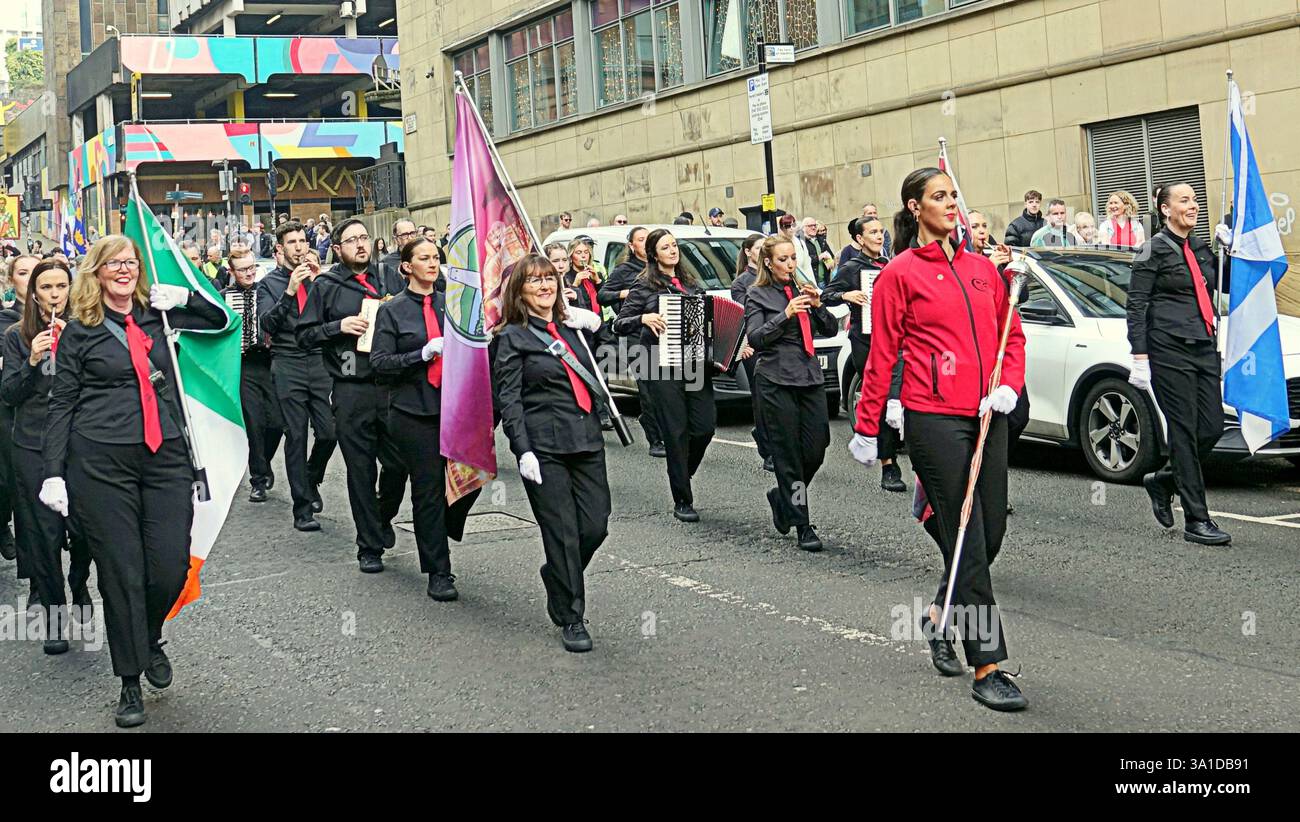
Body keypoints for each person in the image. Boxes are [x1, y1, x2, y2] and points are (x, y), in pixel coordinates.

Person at [849, 167, 1028, 712]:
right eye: (940, 197)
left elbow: (1010, 335)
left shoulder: (982, 270)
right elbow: (882, 354)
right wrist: (868, 424)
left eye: (954, 195)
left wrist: (1009, 387)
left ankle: (937, 615)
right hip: (933, 418)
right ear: (914, 207)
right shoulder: (898, 274)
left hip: (985, 415)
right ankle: (988, 665)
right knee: (969, 536)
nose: (952, 204)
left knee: (989, 532)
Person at [40, 234, 228, 727]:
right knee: (122, 573)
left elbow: (222, 320)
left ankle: (146, 638)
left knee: (168, 566)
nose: (124, 270)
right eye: (113, 263)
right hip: (99, 463)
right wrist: (53, 473)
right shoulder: (80, 329)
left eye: (130, 262)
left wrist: (187, 297)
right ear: (97, 272)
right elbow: (61, 402)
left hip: (164, 453)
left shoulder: (158, 312)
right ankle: (129, 681)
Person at [493, 253, 610, 653]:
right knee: (562, 532)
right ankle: (571, 616)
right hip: (544, 446)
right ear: (520, 291)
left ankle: (557, 574)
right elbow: (508, 398)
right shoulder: (511, 336)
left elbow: (614, 359)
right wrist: (521, 448)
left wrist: (597, 326)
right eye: (535, 281)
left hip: (586, 438)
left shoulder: (572, 327)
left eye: (550, 279)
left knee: (595, 525)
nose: (545, 286)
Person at [296, 218, 409, 573]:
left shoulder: (388, 278)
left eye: (364, 238)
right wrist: (337, 327)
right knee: (360, 469)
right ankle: (368, 546)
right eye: (351, 240)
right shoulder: (326, 286)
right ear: (338, 248)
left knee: (399, 462)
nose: (360, 245)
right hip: (350, 388)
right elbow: (304, 335)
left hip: (391, 385)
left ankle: (380, 515)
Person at [369, 237, 479, 601]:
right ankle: (439, 570)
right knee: (428, 490)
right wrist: (421, 353)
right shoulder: (393, 310)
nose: (432, 264)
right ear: (407, 266)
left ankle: (438, 528)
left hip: (455, 409)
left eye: (436, 257)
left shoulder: (454, 305)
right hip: (414, 411)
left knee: (471, 478)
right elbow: (380, 365)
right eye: (423, 258)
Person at [1127, 183, 1229, 546]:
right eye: (1184, 200)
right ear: (1165, 210)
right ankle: (1197, 520)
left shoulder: (1201, 247)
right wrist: (1139, 355)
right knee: (1183, 431)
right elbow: (1136, 305)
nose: (1194, 205)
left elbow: (1224, 284)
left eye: (1195, 200)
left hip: (1204, 345)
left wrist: (1230, 252)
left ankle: (1164, 479)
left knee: (1212, 427)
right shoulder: (1150, 250)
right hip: (1168, 349)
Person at [3, 259, 93, 654]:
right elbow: (9, 394)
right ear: (34, 294)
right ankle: (55, 617)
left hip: (77, 439)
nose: (55, 294)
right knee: (43, 533)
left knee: (85, 527)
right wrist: (33, 360)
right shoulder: (15, 335)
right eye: (47, 287)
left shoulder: (83, 329)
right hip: (33, 442)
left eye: (61, 286)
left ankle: (79, 581)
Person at [614, 229, 715, 522]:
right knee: (676, 431)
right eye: (665, 247)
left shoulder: (690, 283)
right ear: (653, 254)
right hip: (660, 364)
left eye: (674, 245)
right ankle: (682, 498)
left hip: (695, 363)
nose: (672, 250)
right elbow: (619, 324)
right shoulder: (643, 285)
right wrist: (643, 318)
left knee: (705, 427)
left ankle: (683, 470)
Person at [744, 236, 837, 551]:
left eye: (793, 258)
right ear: (769, 263)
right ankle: (801, 523)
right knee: (789, 458)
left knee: (817, 447)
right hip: (777, 379)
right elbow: (756, 338)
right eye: (783, 259)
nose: (790, 265)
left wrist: (818, 305)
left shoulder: (802, 289)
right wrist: (784, 315)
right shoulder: (757, 294)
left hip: (809, 376)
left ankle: (783, 497)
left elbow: (830, 330)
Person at [257, 221, 336, 531]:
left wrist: (319, 282)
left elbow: (332, 316)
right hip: (287, 360)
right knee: (297, 434)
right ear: (280, 249)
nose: (300, 247)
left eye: (303, 241)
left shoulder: (318, 279)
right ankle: (302, 508)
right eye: (292, 242)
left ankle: (311, 478)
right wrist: (289, 291)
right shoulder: (269, 285)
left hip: (317, 360)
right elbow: (268, 324)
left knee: (330, 432)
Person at [822, 216, 906, 492]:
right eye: (872, 232)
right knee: (882, 399)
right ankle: (888, 466)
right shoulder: (851, 268)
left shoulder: (890, 265)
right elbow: (827, 295)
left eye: (880, 231)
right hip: (866, 340)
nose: (879, 236)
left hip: (893, 339)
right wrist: (848, 296)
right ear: (859, 239)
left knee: (901, 397)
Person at [223, 247, 283, 502]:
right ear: (232, 272)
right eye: (243, 269)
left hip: (270, 362)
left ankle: (264, 463)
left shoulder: (266, 291)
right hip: (244, 365)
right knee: (255, 423)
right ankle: (257, 479)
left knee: (277, 423)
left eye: (252, 268)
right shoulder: (224, 297)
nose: (249, 273)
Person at [598, 226, 663, 457]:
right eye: (641, 240)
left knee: (663, 387)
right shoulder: (624, 270)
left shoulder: (659, 269)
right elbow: (603, 296)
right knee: (647, 389)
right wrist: (626, 293)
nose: (645, 244)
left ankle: (655, 423)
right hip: (636, 335)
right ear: (632, 246)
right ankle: (656, 440)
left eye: (649, 240)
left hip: (663, 336)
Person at [0, 254, 37, 563]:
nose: (32, 278)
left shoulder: (68, 317)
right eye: (24, 272)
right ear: (13, 281)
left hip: (55, 411)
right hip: (12, 412)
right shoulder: (6, 321)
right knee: (9, 482)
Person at [730, 234, 772, 470]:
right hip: (753, 345)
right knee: (761, 397)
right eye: (758, 248)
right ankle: (767, 449)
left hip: (775, 343)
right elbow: (743, 317)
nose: (763, 251)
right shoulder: (741, 283)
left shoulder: (774, 274)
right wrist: (743, 344)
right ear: (748, 252)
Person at [777, 214, 815, 285]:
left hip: (803, 283)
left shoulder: (801, 243)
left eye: (793, 225)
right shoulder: (778, 245)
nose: (791, 228)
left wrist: (812, 284)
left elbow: (807, 266)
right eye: (788, 226)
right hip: (785, 282)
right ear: (782, 228)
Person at [801, 217, 836, 285]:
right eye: (810, 226)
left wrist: (829, 260)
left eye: (815, 225)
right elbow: (803, 261)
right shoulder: (801, 242)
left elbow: (830, 255)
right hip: (812, 282)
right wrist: (819, 257)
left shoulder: (821, 239)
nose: (813, 228)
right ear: (803, 228)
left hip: (825, 280)